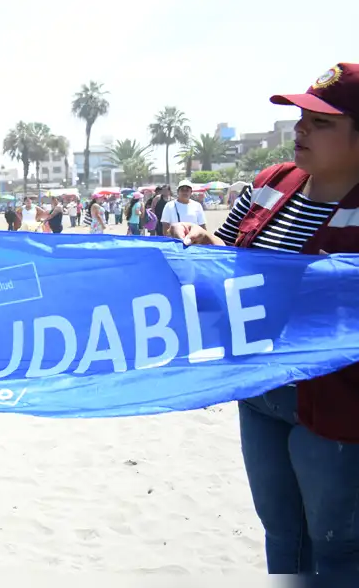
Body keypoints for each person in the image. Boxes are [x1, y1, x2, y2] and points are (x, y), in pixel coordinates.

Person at [168, 62, 359, 575]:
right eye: (301, 117)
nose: (300, 129)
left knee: (337, 544)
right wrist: (203, 246)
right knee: (283, 533)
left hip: (338, 402)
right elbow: (227, 255)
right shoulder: (273, 183)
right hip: (258, 390)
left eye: (321, 123)